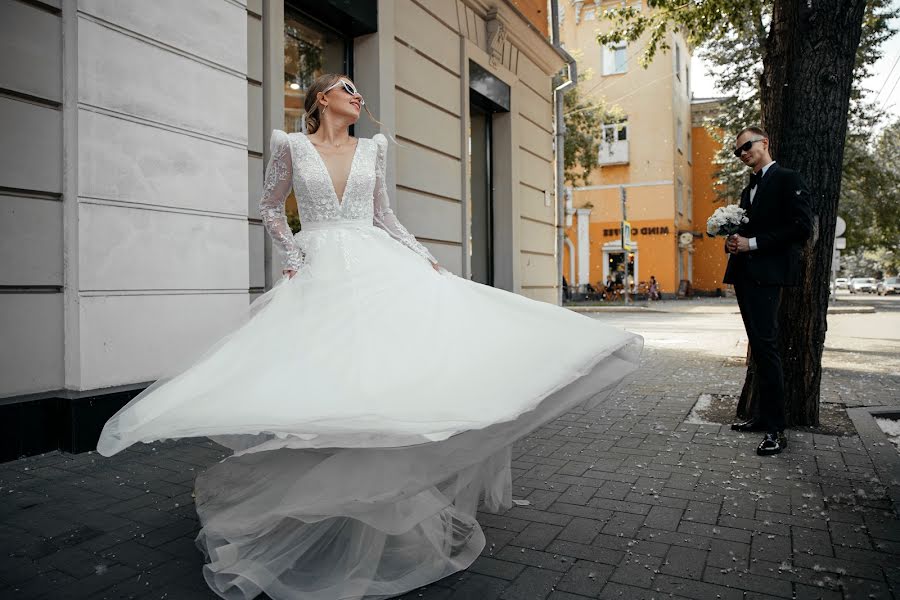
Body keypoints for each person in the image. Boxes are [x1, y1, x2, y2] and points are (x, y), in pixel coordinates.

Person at [96, 74, 642, 600]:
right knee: (325, 378)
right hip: (318, 269)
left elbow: (384, 214)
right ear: (320, 98)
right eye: (347, 90)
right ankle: (330, 497)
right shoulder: (290, 145)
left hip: (376, 264)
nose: (358, 98)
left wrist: (423, 257)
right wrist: (291, 255)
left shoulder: (373, 149)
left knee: (382, 373)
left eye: (359, 92)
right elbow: (269, 207)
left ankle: (373, 498)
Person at [724, 126, 812, 456]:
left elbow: (801, 227)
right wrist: (733, 240)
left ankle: (777, 429)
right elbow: (746, 229)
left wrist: (754, 243)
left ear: (764, 143)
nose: (743, 153)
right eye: (738, 151)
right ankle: (762, 416)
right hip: (745, 275)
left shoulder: (789, 179)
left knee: (768, 348)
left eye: (747, 146)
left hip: (768, 275)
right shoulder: (750, 188)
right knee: (759, 350)